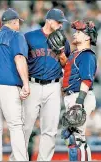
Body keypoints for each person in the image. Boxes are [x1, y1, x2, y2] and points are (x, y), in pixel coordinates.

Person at [24, 8, 70, 161]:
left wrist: (61, 53)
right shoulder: (29, 37)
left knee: (50, 130)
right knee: (25, 127)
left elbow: (66, 65)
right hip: (33, 85)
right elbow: (20, 60)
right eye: (58, 22)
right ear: (49, 20)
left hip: (53, 86)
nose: (61, 25)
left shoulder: (63, 39)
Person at [0, 8, 30, 161]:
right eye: (18, 23)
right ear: (15, 22)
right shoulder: (16, 36)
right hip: (7, 86)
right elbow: (19, 58)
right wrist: (25, 84)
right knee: (15, 125)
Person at [61, 20, 98, 161]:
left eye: (79, 32)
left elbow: (87, 79)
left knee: (75, 139)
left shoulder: (87, 55)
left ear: (88, 37)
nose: (75, 34)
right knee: (75, 137)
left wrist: (79, 102)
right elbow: (69, 73)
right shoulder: (76, 54)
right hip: (74, 96)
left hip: (81, 96)